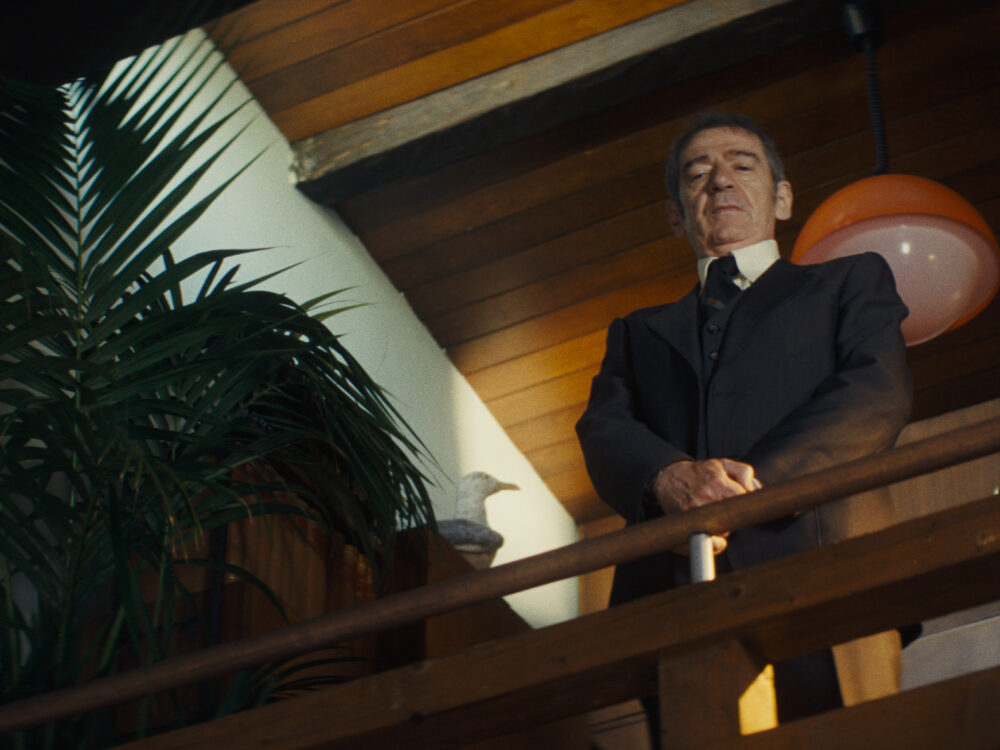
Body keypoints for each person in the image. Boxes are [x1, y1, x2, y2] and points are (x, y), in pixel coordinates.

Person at [575, 112, 912, 739]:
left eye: (742, 165)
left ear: (782, 198)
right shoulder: (636, 332)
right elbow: (604, 427)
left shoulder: (849, 281)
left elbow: (876, 393)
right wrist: (670, 480)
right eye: (697, 173)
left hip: (826, 568)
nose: (720, 180)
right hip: (675, 594)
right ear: (676, 215)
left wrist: (743, 490)